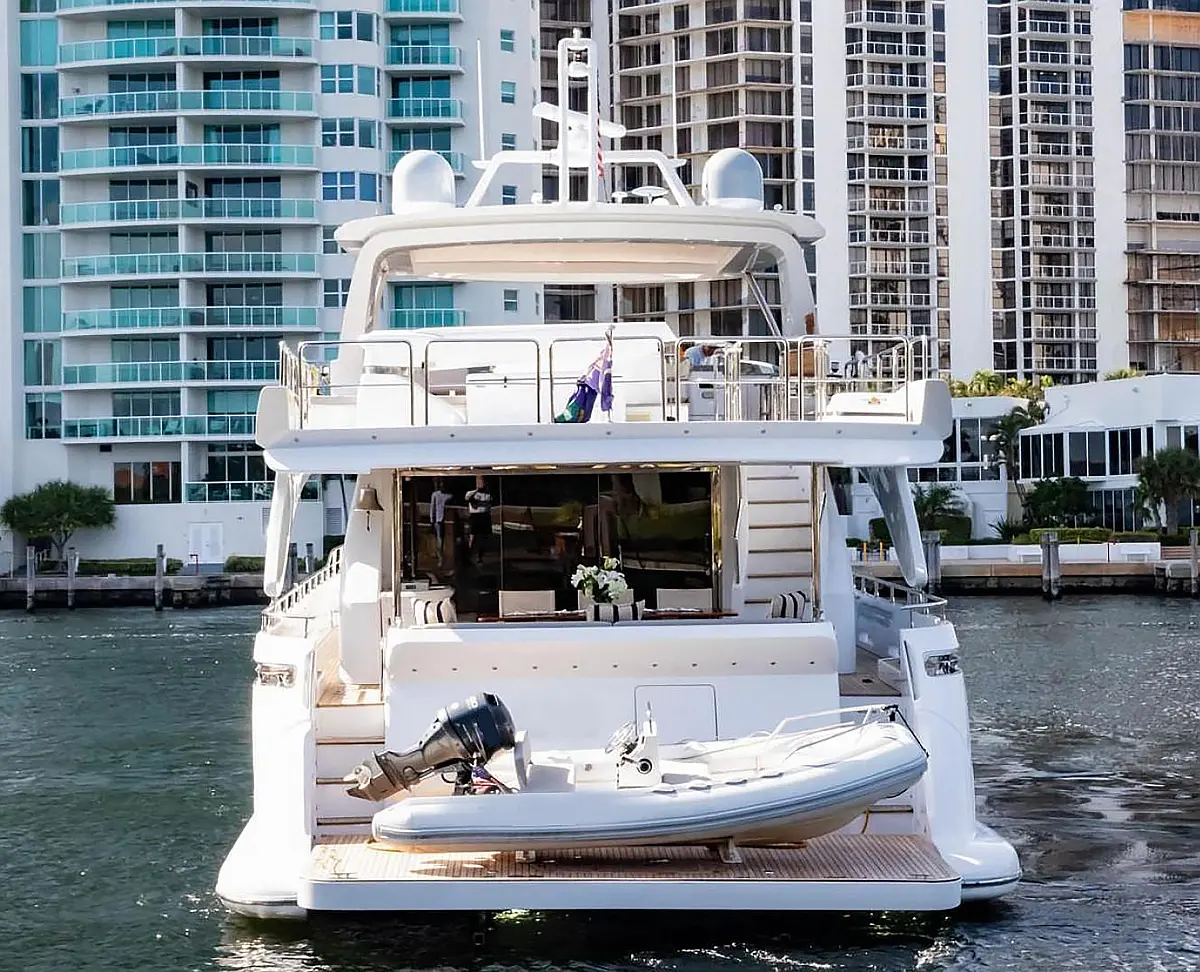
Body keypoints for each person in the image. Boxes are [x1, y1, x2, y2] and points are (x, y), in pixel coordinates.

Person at [464, 476, 494, 566]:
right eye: (479, 482)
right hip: (475, 516)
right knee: (472, 537)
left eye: (482, 482)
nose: (481, 483)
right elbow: (467, 498)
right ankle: (468, 555)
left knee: (483, 538)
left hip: (485, 516)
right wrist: (477, 490)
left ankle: (480, 556)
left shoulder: (488, 494)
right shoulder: (471, 493)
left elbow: (489, 502)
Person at [429, 480, 453, 566]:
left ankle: (446, 558)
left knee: (446, 539)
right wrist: (432, 519)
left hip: (447, 520)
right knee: (440, 539)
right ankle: (440, 558)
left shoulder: (449, 496)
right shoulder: (435, 494)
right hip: (438, 520)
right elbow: (432, 507)